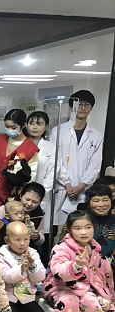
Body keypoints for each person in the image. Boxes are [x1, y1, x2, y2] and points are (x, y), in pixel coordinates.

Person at [44, 210, 114, 312]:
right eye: (77, 228)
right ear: (69, 229)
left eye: (88, 227)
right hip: (61, 288)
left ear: (94, 228)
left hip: (86, 290)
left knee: (95, 308)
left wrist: (105, 296)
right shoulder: (61, 248)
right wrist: (75, 266)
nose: (83, 232)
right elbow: (58, 270)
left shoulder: (96, 250)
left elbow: (105, 275)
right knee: (69, 304)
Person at [52, 90, 104, 227]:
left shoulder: (96, 135)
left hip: (84, 190)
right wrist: (67, 184)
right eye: (79, 104)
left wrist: (82, 185)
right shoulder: (57, 131)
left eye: (87, 104)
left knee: (82, 226)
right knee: (59, 229)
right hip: (61, 188)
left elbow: (95, 165)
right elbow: (55, 161)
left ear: (91, 108)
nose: (83, 108)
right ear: (72, 107)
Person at [0, 109, 39, 207]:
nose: (10, 129)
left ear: (23, 126)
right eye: (7, 126)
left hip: (11, 199)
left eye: (13, 127)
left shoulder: (31, 149)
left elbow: (30, 178)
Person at [25, 111, 55, 255]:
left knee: (38, 235)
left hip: (41, 196)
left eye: (39, 124)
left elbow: (52, 173)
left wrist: (39, 193)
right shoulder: (20, 143)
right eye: (31, 123)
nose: (35, 127)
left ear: (46, 127)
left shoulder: (50, 147)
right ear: (26, 125)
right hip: (21, 195)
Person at [59, 183, 115, 259]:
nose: (101, 204)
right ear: (88, 202)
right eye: (96, 201)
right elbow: (62, 243)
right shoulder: (77, 219)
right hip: (78, 261)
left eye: (105, 200)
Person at [0, 183, 46, 252]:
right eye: (27, 199)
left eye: (34, 202)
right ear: (21, 195)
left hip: (26, 248)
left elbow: (41, 240)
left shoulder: (38, 215)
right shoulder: (6, 208)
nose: (29, 204)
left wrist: (37, 237)